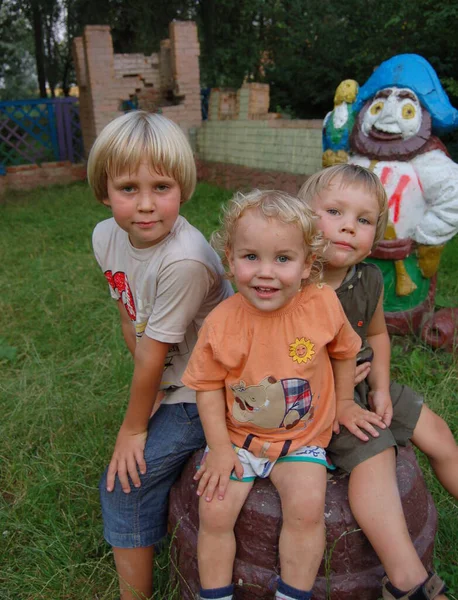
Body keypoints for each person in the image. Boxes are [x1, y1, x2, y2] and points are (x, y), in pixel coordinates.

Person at [182, 189, 383, 600]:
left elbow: (345, 353)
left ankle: (292, 594)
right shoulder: (221, 322)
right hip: (239, 439)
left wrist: (344, 403)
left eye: (283, 259)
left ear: (309, 264)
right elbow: (205, 388)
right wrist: (219, 448)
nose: (265, 273)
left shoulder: (323, 304)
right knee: (214, 510)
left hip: (301, 439)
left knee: (307, 508)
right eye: (250, 257)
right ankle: (215, 594)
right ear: (229, 257)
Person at [88, 110, 233, 600]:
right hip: (172, 374)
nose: (146, 206)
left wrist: (134, 428)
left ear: (185, 188)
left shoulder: (185, 261)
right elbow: (131, 316)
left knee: (124, 483)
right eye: (128, 188)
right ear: (104, 190)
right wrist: (146, 402)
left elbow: (156, 357)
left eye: (162, 188)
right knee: (136, 453)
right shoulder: (105, 236)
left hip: (211, 384)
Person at [298, 163, 457, 600]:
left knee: (438, 433)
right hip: (319, 403)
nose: (348, 227)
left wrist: (382, 388)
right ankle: (408, 582)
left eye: (364, 220)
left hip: (367, 387)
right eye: (334, 212)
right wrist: (341, 394)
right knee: (375, 456)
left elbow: (377, 335)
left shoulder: (365, 279)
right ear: (302, 217)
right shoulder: (290, 284)